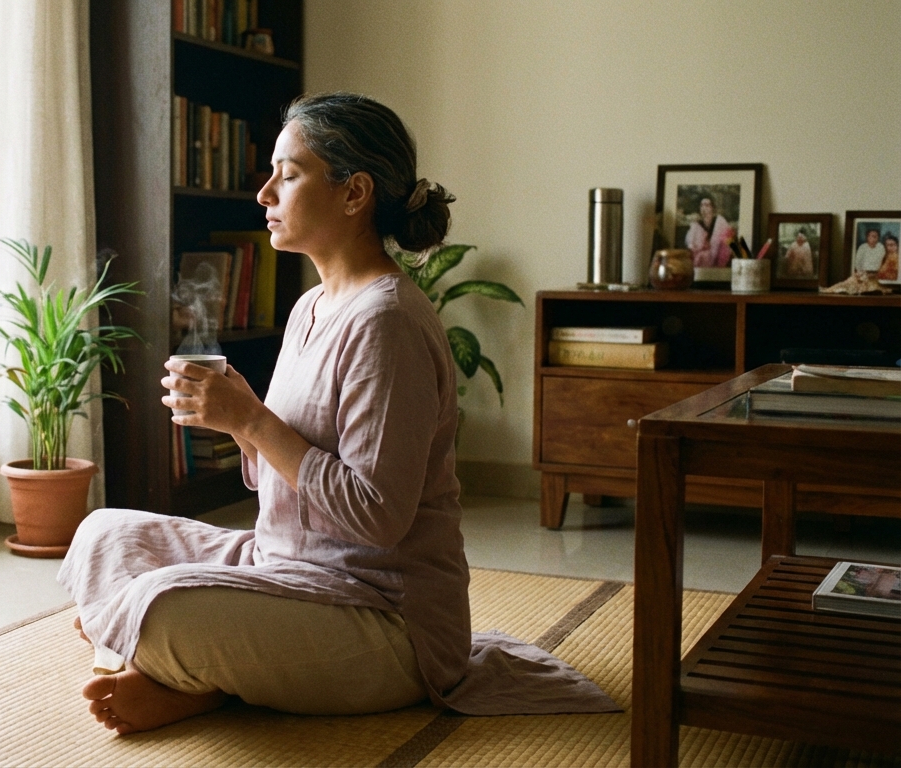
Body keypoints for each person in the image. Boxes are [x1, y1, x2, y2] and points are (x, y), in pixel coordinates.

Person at [60, 92, 613, 736]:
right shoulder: (310, 308)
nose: (265, 194)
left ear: (355, 194)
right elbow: (279, 485)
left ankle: (184, 674)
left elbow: (378, 516)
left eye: (287, 175)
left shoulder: (387, 322)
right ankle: (184, 668)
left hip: (380, 618)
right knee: (104, 535)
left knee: (157, 606)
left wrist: (250, 421)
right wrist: (238, 411)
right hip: (281, 569)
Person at [685, 194, 734, 267]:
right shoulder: (696, 225)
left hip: (718, 259)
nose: (704, 208)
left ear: (712, 208)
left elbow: (728, 239)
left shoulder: (720, 221)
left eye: (707, 205)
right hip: (701, 260)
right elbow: (691, 246)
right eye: (702, 205)